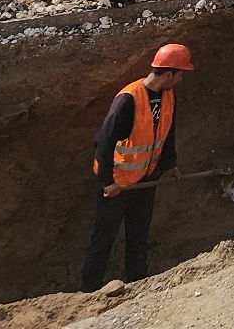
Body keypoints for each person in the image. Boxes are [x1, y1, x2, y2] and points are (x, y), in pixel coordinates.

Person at [81, 43, 191, 291]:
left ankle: (138, 287)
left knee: (138, 238)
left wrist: (169, 165)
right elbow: (103, 143)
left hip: (145, 180)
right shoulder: (128, 100)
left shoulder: (169, 97)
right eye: (181, 73)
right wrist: (107, 182)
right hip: (118, 185)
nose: (182, 78)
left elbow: (168, 133)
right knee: (103, 241)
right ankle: (87, 293)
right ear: (169, 73)